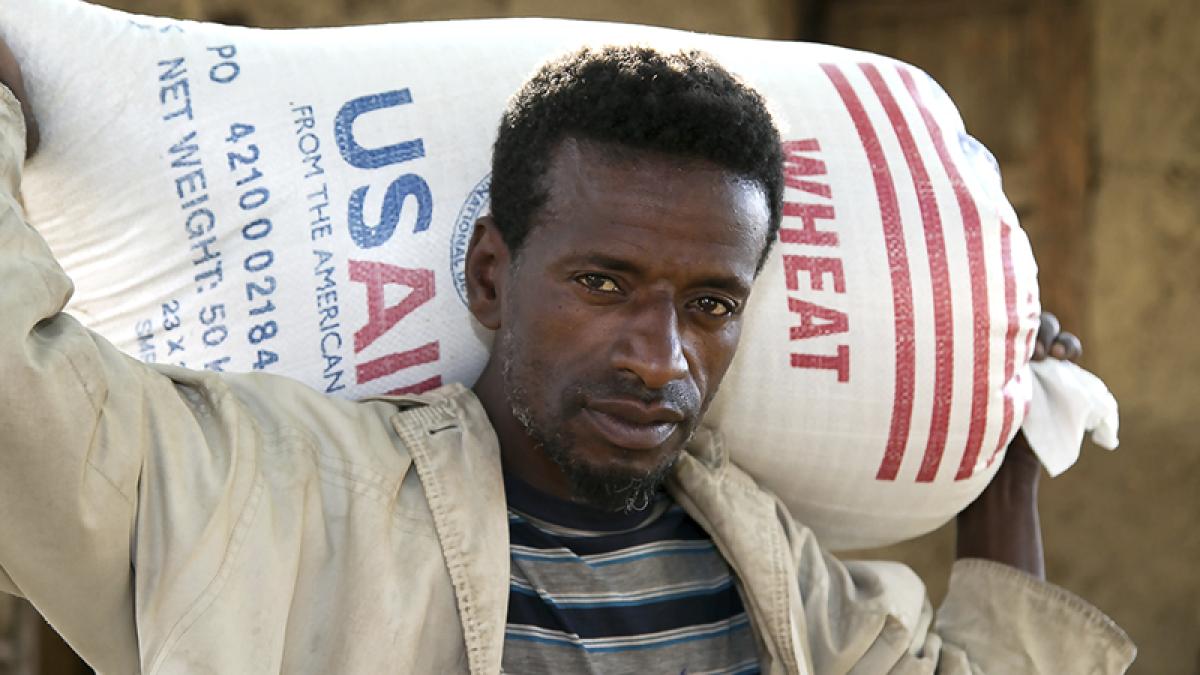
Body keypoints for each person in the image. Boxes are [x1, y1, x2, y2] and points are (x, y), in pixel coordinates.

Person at [0, 38, 1133, 674]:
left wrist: (1008, 446)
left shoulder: (763, 564)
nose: (661, 358)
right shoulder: (292, 498)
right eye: (604, 285)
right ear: (492, 276)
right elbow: (25, 405)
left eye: (709, 303)